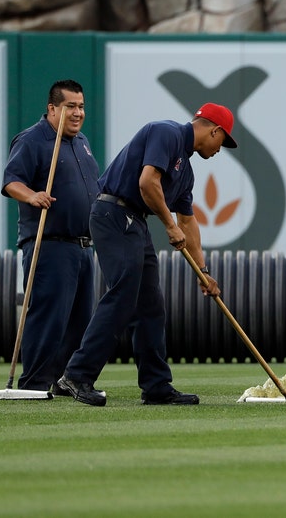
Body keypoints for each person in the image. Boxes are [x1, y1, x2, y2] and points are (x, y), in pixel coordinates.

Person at [57, 103, 234, 406]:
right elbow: (147, 181)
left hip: (134, 221)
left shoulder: (186, 174)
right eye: (223, 141)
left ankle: (156, 386)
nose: (220, 149)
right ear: (213, 130)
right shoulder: (166, 133)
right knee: (124, 294)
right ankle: (77, 375)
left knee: (151, 304)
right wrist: (168, 224)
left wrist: (203, 272)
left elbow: (188, 223)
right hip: (112, 212)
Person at [1, 80, 99, 395]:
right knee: (49, 317)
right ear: (52, 109)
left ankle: (63, 381)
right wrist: (32, 196)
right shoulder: (33, 139)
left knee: (80, 321)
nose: (78, 112)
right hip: (50, 243)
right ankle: (34, 382)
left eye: (81, 106)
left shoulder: (81, 141)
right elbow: (11, 181)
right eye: (71, 106)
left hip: (84, 245)